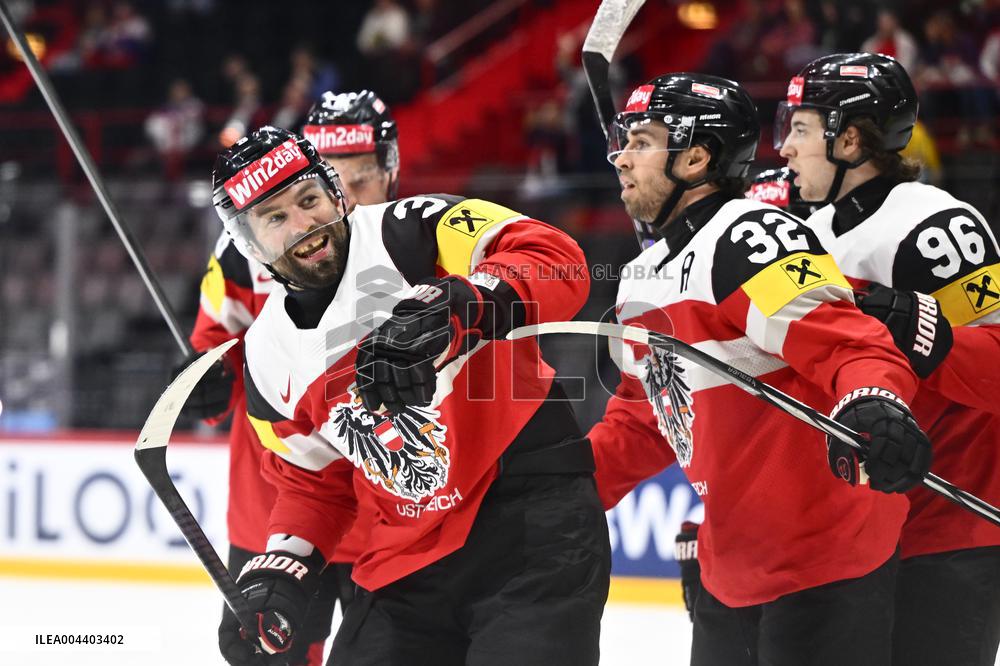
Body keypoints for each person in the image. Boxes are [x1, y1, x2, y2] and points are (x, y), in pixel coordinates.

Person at [211, 125, 605, 665]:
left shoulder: (414, 227)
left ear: (335, 192)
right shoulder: (265, 355)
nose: (305, 226)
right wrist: (286, 566)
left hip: (531, 524)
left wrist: (464, 301)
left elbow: (557, 257)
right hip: (403, 561)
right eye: (276, 218)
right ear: (250, 243)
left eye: (309, 200)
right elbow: (314, 483)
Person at [588, 72, 932, 665]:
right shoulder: (641, 278)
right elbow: (649, 419)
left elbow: (853, 345)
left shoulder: (750, 237)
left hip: (827, 559)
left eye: (642, 142)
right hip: (732, 568)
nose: (622, 157)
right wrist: (563, 484)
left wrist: (875, 398)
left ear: (695, 158)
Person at [776, 52, 1000, 666]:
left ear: (849, 138)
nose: (785, 150)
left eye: (800, 129)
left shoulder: (936, 225)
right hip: (849, 536)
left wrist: (924, 331)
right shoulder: (809, 235)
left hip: (946, 529)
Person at [182, 90, 403, 666]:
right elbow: (213, 348)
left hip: (392, 513)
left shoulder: (409, 240)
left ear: (390, 170)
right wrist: (204, 381)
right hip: (276, 509)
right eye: (330, 180)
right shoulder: (241, 251)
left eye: (360, 179)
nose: (335, 204)